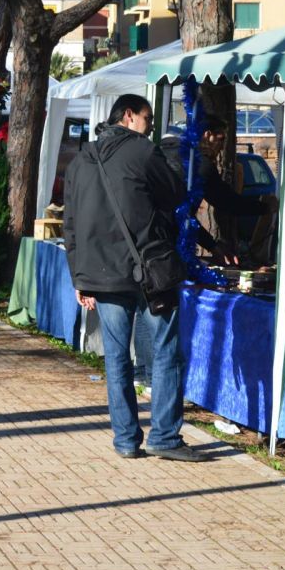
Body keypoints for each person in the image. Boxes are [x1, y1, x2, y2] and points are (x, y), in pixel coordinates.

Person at [64, 93, 204, 463]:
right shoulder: (142, 151)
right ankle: (164, 435)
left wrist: (80, 277)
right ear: (128, 116)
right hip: (148, 270)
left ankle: (126, 440)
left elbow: (71, 224)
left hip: (104, 276)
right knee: (166, 351)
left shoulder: (81, 160)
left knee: (116, 359)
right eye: (148, 118)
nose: (151, 125)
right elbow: (175, 193)